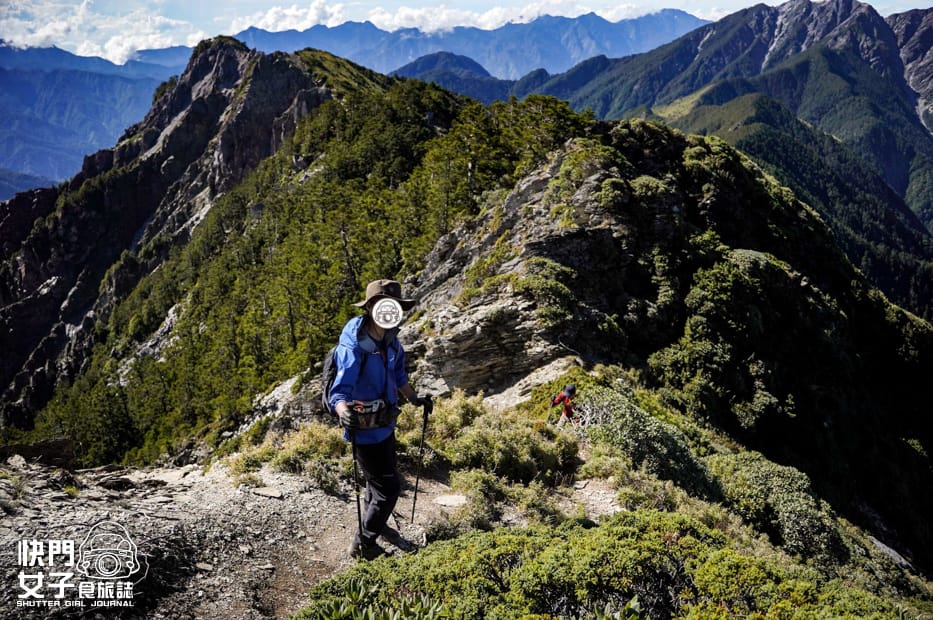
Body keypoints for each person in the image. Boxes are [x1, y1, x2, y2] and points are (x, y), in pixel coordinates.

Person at [330, 279, 431, 560]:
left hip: (385, 425)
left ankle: (374, 524)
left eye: (396, 306)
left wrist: (414, 399)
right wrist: (342, 411)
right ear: (372, 307)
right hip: (364, 430)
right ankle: (363, 544)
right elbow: (339, 391)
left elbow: (398, 376)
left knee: (377, 484)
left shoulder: (391, 341)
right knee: (389, 489)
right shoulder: (354, 346)